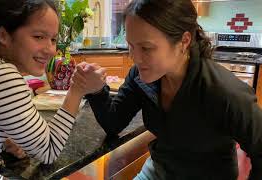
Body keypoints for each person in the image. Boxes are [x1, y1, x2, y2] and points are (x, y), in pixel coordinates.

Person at [72, 0, 262, 179]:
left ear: (184, 41)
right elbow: (114, 122)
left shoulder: (224, 92)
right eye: (131, 46)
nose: (135, 58)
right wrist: (97, 90)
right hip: (158, 170)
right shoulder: (141, 78)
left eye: (146, 48)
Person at [0, 0, 90, 179]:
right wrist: (77, 89)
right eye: (38, 37)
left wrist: (4, 140)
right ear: (3, 35)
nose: (51, 49)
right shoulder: (0, 75)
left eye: (53, 39)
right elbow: (49, 151)